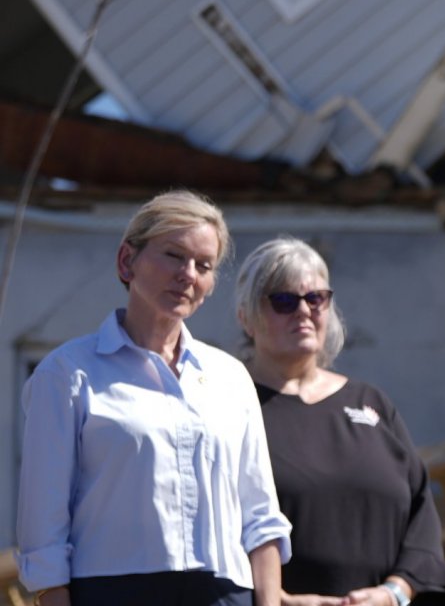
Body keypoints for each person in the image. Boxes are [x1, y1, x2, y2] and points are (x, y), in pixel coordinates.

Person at [16, 189, 292, 605]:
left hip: (224, 593)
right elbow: (43, 526)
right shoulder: (66, 374)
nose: (188, 274)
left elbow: (260, 515)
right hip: (113, 592)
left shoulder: (231, 377)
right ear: (127, 260)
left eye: (204, 265)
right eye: (174, 255)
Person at [234, 237, 445, 606]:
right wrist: (271, 598)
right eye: (283, 301)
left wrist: (395, 592)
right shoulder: (228, 405)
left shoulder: (371, 404)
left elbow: (421, 516)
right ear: (246, 317)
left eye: (316, 299)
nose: (303, 311)